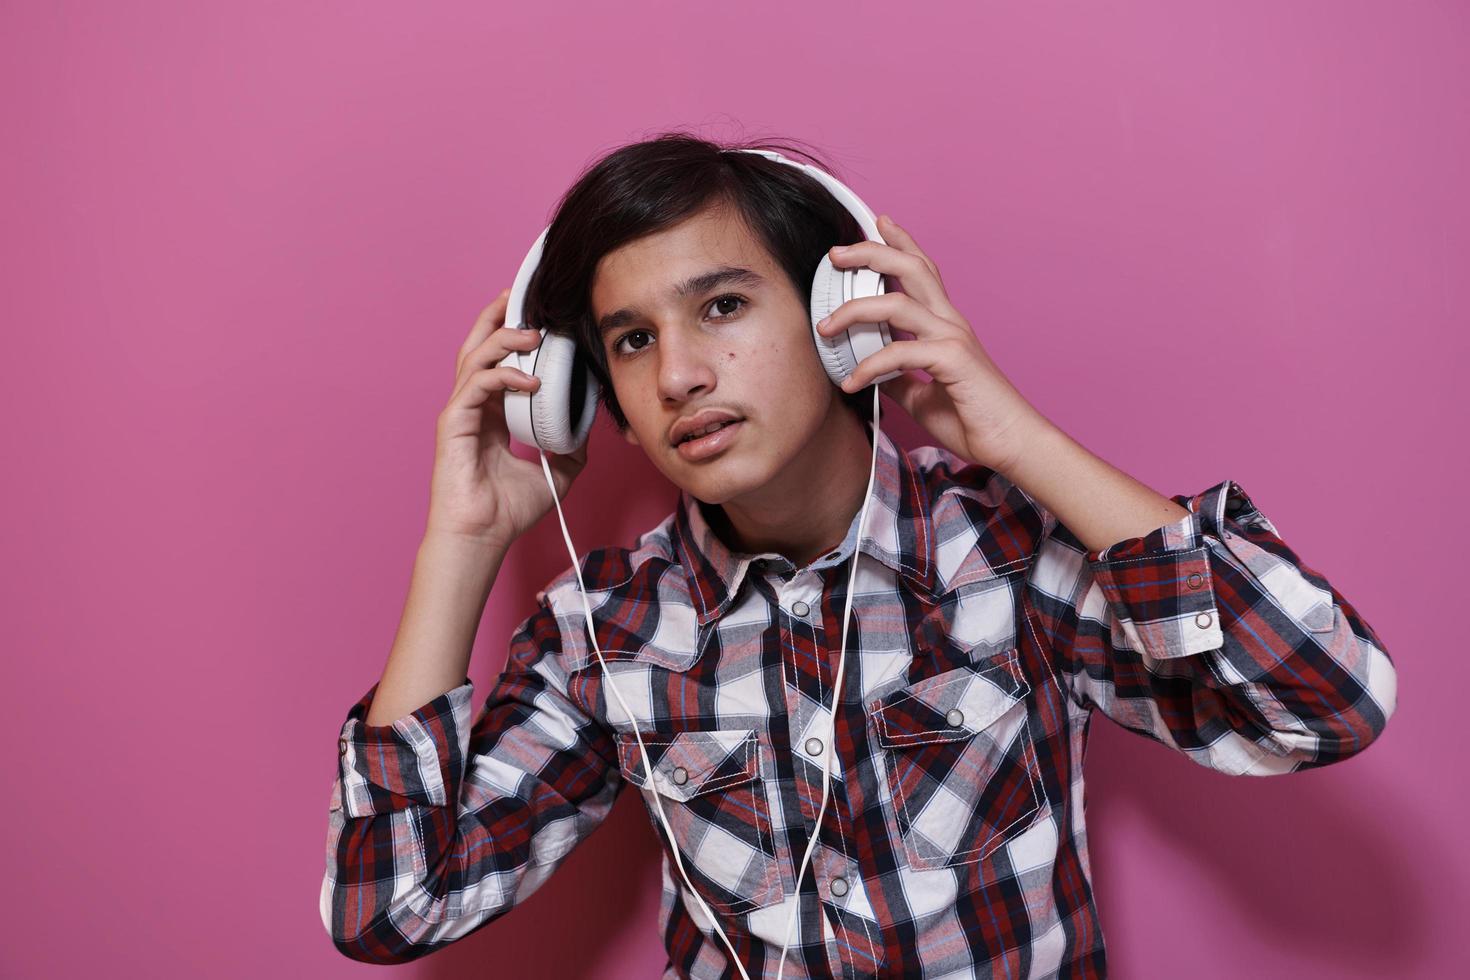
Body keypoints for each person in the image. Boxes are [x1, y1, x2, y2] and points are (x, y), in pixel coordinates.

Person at [319, 132, 1398, 978]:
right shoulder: (607, 629)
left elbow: (1326, 699)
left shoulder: (1008, 550)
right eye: (633, 339)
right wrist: (460, 546)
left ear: (846, 319)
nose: (681, 373)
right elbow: (390, 906)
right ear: (593, 396)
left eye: (723, 306)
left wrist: (1013, 436)